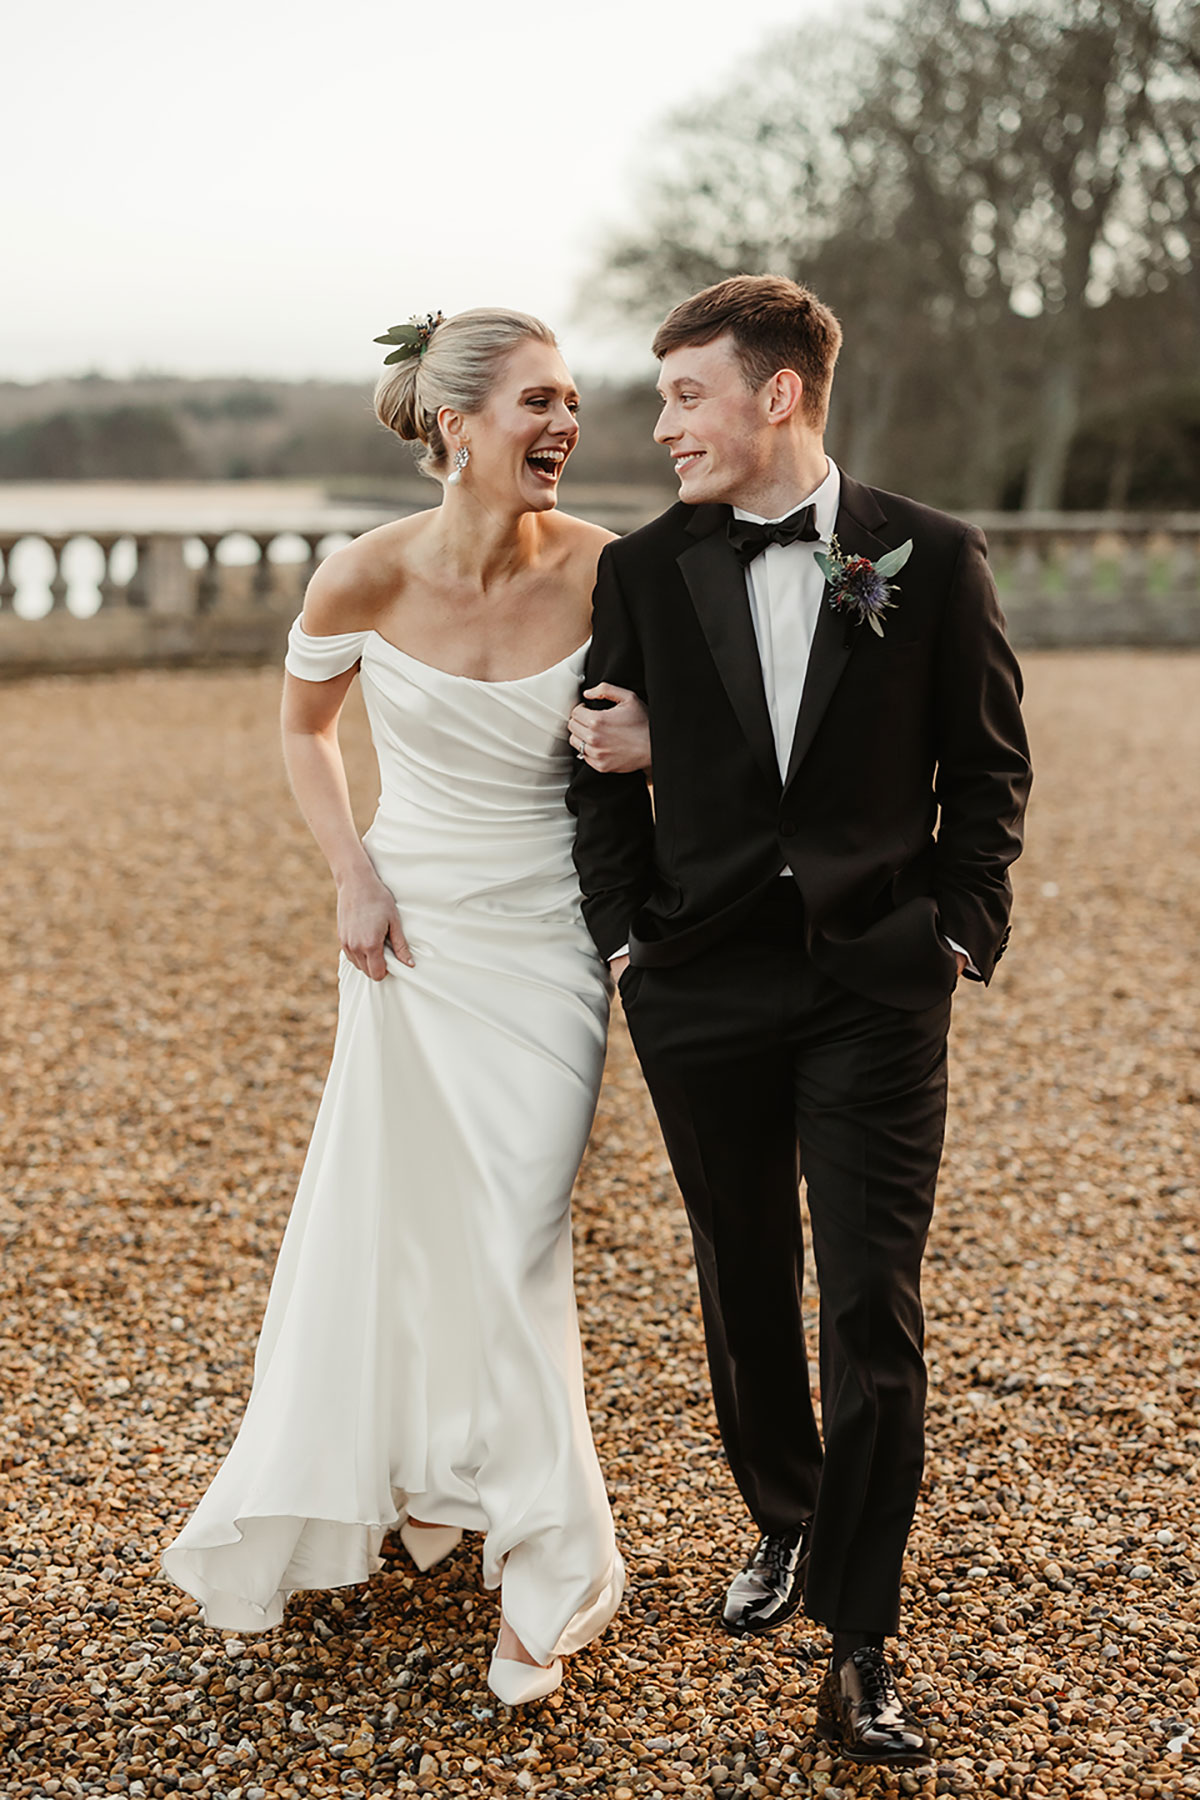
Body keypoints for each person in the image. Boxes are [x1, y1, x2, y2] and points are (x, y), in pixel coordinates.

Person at [567, 274, 1032, 1766]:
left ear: (778, 394)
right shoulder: (643, 571)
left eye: (686, 396)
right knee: (743, 1273)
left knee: (873, 1304)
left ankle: (862, 1637)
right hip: (699, 984)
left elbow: (989, 769)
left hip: (873, 988)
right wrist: (627, 935)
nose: (661, 428)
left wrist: (960, 933)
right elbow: (596, 765)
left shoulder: (931, 557)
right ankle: (783, 1513)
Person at [163, 307, 653, 1708]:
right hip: (411, 933)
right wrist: (353, 872)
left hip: (551, 941)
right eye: (536, 402)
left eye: (573, 401)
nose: (565, 425)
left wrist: (658, 744)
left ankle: (554, 1560)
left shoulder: (615, 571)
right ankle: (446, 1486)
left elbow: (703, 728)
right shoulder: (362, 575)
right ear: (454, 426)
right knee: (410, 1222)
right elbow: (302, 729)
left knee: (516, 1230)